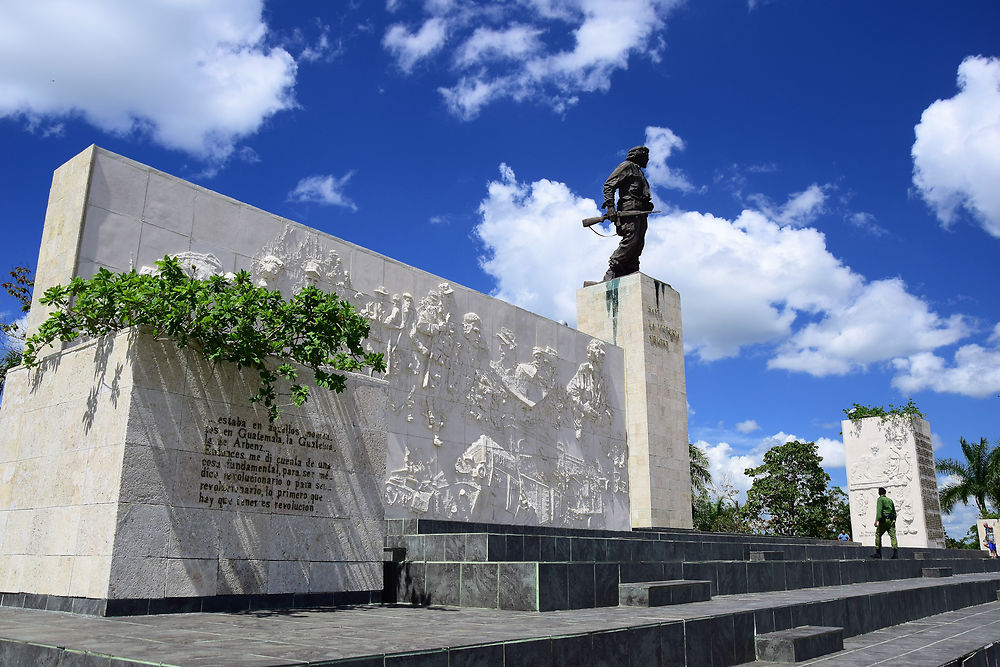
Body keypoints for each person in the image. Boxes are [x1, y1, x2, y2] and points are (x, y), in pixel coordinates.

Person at [601, 145, 654, 281]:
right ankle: (613, 270)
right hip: (629, 210)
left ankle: (631, 269)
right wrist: (610, 207)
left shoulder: (639, 172)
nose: (647, 159)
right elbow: (609, 185)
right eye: (646, 156)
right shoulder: (627, 166)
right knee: (631, 239)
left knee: (638, 243)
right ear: (638, 155)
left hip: (641, 212)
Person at [870, 487, 898, 559]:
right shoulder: (890, 500)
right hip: (891, 520)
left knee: (878, 534)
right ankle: (895, 553)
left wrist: (876, 520)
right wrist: (894, 520)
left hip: (884, 520)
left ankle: (878, 552)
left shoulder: (880, 499)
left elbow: (879, 510)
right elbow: (894, 512)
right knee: (893, 536)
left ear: (879, 493)